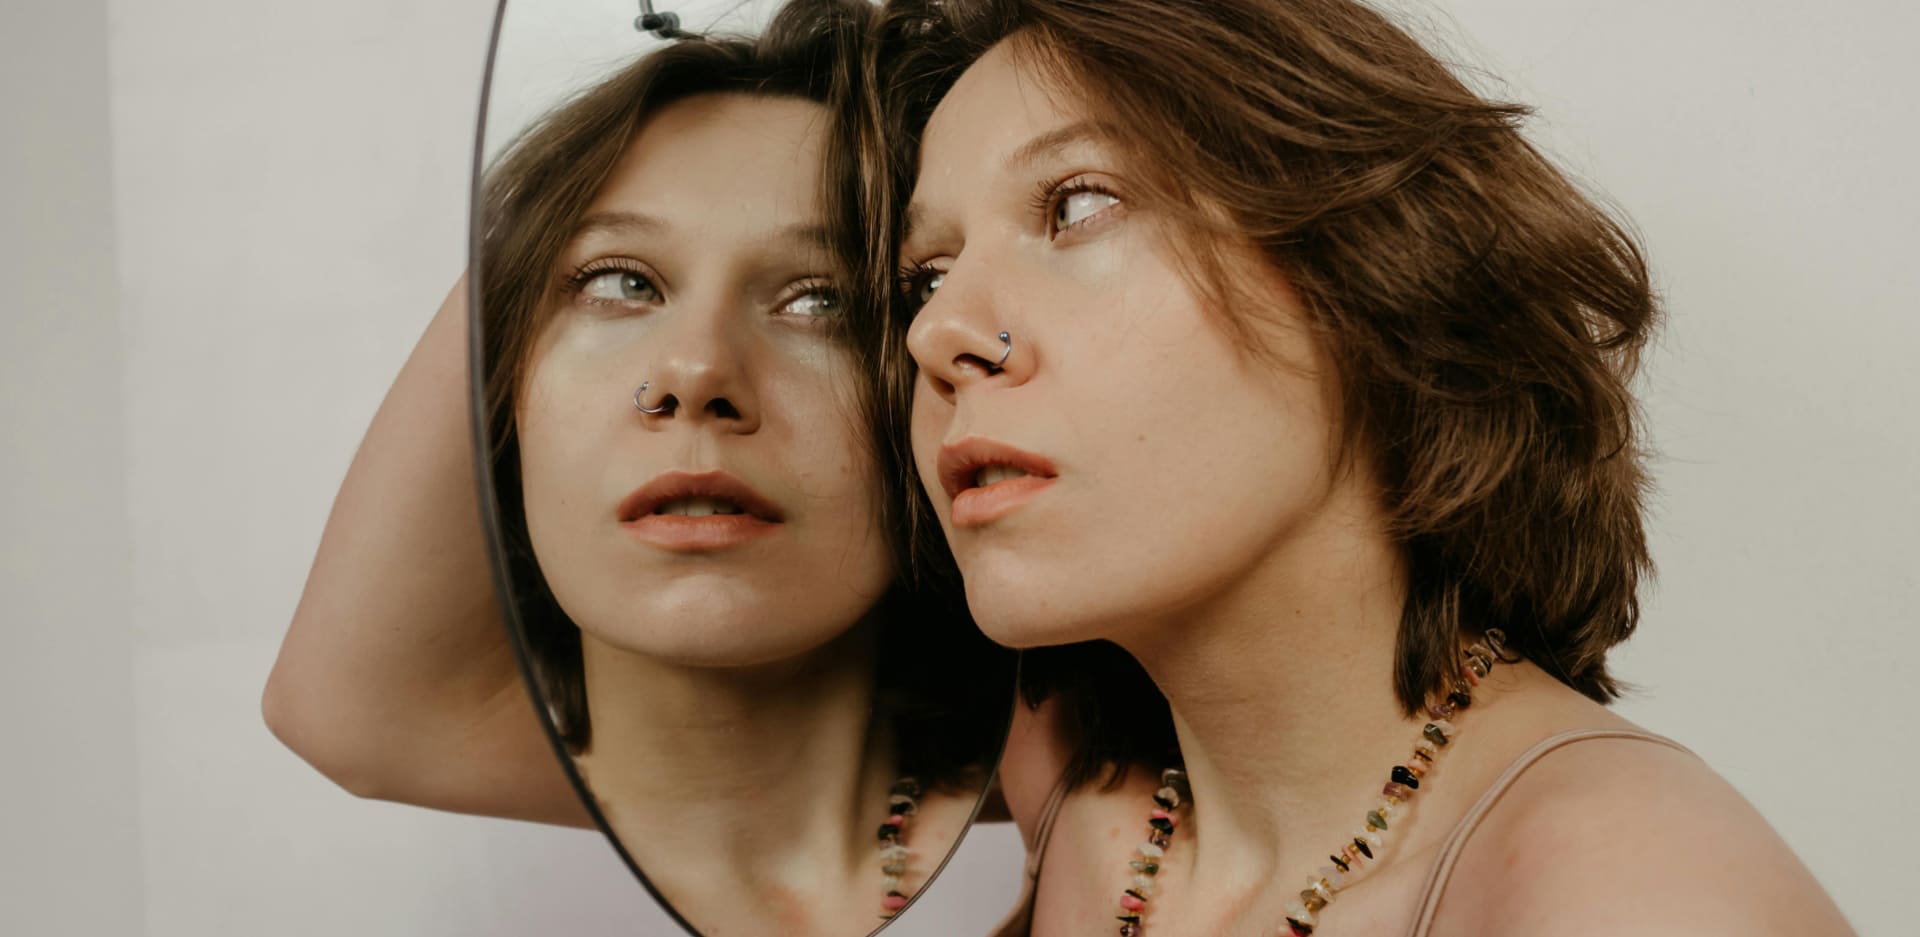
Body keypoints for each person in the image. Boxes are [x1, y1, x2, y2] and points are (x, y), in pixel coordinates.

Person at [871, 1, 1853, 934]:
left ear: (1370, 266)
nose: (938, 331)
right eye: (928, 276)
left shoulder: (1636, 891)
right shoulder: (1073, 795)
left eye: (1078, 203)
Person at [264, 3, 1009, 934]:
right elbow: (337, 712)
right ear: (506, 393)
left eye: (824, 301)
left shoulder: (1092, 785)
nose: (695, 373)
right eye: (620, 282)